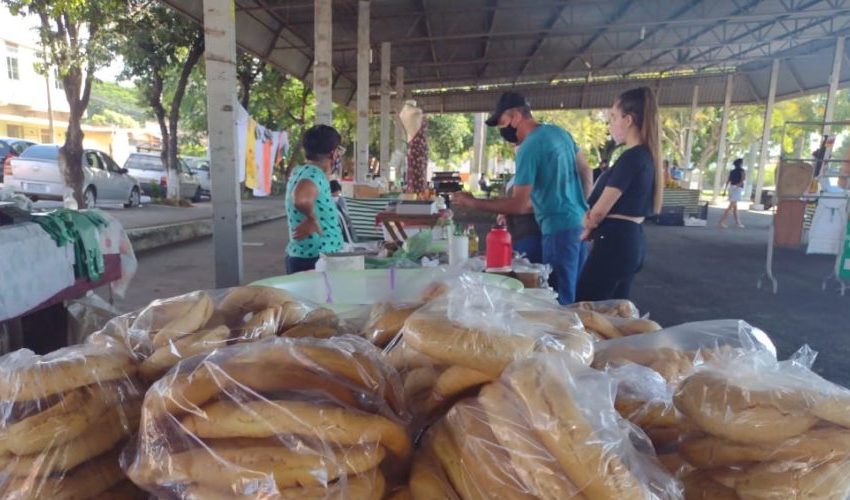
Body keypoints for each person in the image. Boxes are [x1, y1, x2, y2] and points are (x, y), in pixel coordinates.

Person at [452, 91, 593, 305]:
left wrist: (472, 202)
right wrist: (581, 205)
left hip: (557, 229)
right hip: (579, 225)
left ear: (516, 116)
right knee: (574, 295)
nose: (503, 129)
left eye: (503, 122)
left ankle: (565, 337)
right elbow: (586, 170)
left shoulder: (529, 146)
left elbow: (518, 204)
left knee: (557, 301)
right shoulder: (560, 133)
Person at [576, 87, 663, 302]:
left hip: (614, 241)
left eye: (614, 117)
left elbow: (600, 210)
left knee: (587, 307)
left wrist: (588, 223)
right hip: (628, 239)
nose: (610, 123)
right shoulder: (646, 157)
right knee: (613, 311)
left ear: (629, 120)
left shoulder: (631, 158)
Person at [285, 125, 345, 274]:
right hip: (314, 259)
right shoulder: (314, 174)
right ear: (333, 153)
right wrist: (312, 219)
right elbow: (301, 198)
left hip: (309, 256)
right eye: (339, 150)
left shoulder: (302, 171)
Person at [718, 158, 746, 229]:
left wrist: (724, 190)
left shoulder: (732, 171)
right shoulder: (742, 171)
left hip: (731, 188)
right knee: (731, 206)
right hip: (737, 188)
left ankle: (738, 222)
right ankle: (721, 222)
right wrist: (738, 185)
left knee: (734, 206)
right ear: (740, 164)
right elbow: (743, 179)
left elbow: (728, 180)